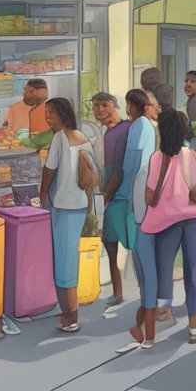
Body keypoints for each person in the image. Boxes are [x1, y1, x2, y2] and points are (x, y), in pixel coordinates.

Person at [143, 109, 196, 346]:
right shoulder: (189, 155)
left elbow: (149, 197)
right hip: (191, 220)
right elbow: (194, 190)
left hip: (166, 222)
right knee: (194, 272)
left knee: (165, 267)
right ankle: (194, 327)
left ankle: (164, 308)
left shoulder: (155, 159)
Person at [37, 98, 96, 334]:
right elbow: (90, 176)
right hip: (80, 205)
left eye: (51, 113)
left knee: (64, 263)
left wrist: (41, 198)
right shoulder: (82, 137)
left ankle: (71, 317)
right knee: (69, 257)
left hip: (62, 206)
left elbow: (48, 170)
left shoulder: (60, 138)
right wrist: (90, 205)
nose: (47, 117)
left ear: (62, 114)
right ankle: (68, 313)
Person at [115, 90, 159, 354]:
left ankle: (146, 308)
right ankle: (148, 306)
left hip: (135, 194)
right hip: (145, 192)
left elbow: (130, 164)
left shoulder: (137, 127)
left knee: (140, 251)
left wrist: (120, 190)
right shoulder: (149, 127)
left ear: (131, 105)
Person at [93, 91, 130, 309]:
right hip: (112, 191)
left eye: (104, 105)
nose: (100, 110)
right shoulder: (106, 133)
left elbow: (118, 169)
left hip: (121, 193)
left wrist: (106, 195)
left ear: (114, 106)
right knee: (109, 243)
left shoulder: (123, 130)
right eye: (96, 106)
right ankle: (118, 292)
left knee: (125, 242)